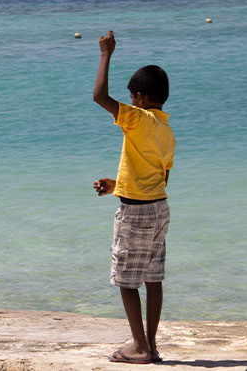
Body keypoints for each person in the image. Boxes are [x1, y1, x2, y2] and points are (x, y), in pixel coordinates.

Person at [92, 30, 175, 364]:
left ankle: (138, 347)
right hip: (159, 209)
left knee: (127, 281)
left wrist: (106, 53)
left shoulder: (137, 118)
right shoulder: (166, 130)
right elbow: (159, 176)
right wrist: (118, 185)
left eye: (131, 97)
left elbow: (99, 96)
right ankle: (151, 345)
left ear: (139, 98)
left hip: (136, 214)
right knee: (153, 279)